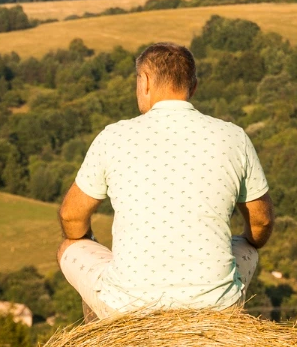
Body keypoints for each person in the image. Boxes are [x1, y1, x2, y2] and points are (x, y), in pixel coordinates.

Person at [57, 41, 273, 320]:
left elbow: (71, 217)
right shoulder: (234, 137)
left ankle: (101, 333)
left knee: (69, 246)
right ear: (193, 87)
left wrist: (90, 241)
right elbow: (262, 223)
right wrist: (242, 242)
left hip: (127, 307)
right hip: (215, 308)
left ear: (144, 82)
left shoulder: (113, 137)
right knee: (250, 249)